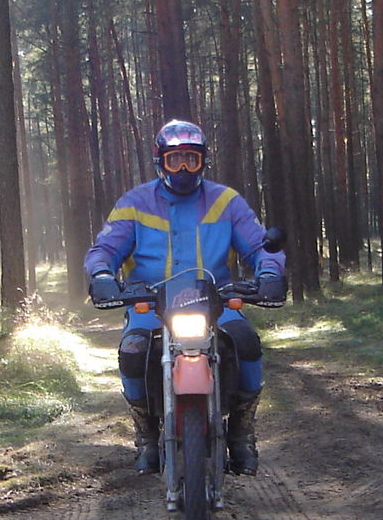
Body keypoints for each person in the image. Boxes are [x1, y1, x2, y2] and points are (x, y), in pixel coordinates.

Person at [85, 119, 285, 475]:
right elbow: (106, 248)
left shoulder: (226, 201)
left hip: (216, 301)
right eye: (174, 159)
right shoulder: (134, 203)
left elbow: (259, 246)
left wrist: (269, 273)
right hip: (150, 303)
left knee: (246, 341)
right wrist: (101, 275)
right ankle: (147, 433)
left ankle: (242, 430)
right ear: (160, 161)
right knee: (133, 351)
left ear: (203, 161)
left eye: (191, 159)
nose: (182, 169)